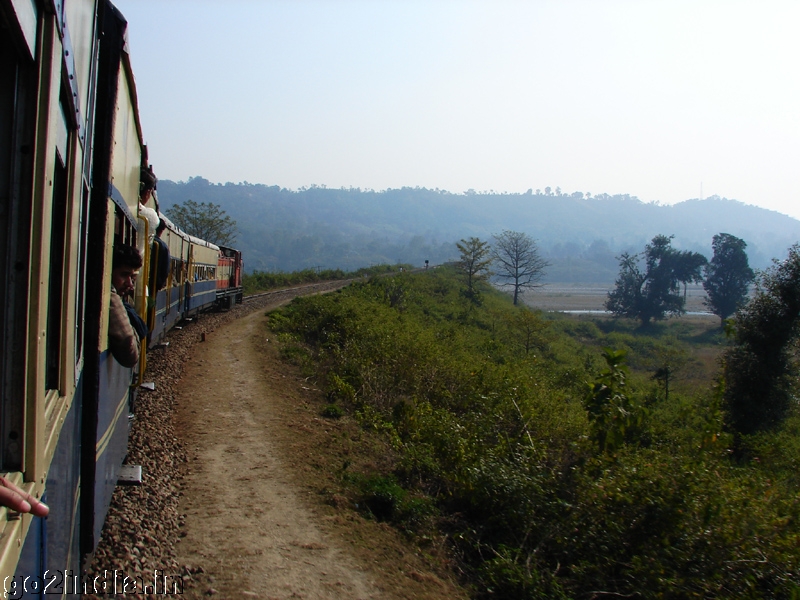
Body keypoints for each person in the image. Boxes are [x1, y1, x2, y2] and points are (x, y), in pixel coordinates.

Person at [109, 245, 146, 368]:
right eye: (124, 275)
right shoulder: (110, 298)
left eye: (132, 277)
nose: (130, 284)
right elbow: (130, 354)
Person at [150, 219, 171, 291]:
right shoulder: (163, 246)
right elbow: (165, 269)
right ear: (162, 231)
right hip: (153, 286)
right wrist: (159, 284)